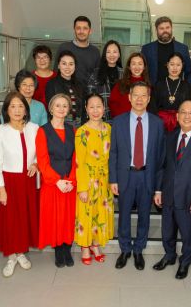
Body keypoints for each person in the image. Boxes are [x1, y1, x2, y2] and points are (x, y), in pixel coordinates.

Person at [153, 100, 191, 279]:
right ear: (177, 116)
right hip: (168, 194)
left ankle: (185, 262)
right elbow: (162, 166)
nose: (187, 116)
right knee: (167, 230)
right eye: (183, 113)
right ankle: (169, 255)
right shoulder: (169, 137)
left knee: (188, 233)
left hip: (190, 198)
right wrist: (158, 190)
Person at [109, 81, 165, 271]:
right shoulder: (118, 121)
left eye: (144, 96)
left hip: (147, 175)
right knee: (123, 214)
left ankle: (139, 249)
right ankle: (125, 249)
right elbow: (113, 153)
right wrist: (113, 179)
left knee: (144, 215)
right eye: (136, 95)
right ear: (129, 97)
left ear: (149, 99)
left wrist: (158, 186)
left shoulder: (157, 123)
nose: (139, 99)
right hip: (126, 176)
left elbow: (160, 157)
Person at [0, 92, 39, 277]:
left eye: (20, 106)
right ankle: (11, 256)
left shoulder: (34, 128)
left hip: (28, 179)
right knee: (11, 219)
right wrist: (0, 189)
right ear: (6, 110)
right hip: (9, 181)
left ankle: (21, 252)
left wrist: (36, 163)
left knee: (25, 217)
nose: (17, 110)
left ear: (26, 109)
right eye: (13, 106)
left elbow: (40, 153)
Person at [36, 94, 77, 267]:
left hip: (69, 182)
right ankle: (58, 250)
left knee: (68, 218)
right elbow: (42, 160)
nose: (61, 109)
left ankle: (67, 248)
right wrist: (56, 181)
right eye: (57, 106)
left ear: (68, 110)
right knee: (55, 219)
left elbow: (76, 157)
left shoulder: (72, 130)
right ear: (51, 108)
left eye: (65, 106)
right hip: (52, 183)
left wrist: (71, 181)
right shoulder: (42, 131)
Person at [74, 94, 114, 265]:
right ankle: (84, 246)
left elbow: (113, 157)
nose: (95, 110)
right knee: (86, 214)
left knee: (100, 214)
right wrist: (82, 187)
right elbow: (79, 162)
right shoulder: (81, 132)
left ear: (103, 109)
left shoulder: (109, 129)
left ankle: (95, 245)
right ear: (86, 109)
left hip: (105, 179)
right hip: (88, 179)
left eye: (99, 106)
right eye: (92, 107)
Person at [141, 16, 191, 85]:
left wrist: (185, 89)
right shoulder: (146, 49)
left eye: (167, 27)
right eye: (161, 28)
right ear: (156, 30)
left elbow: (189, 72)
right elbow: (142, 72)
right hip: (153, 92)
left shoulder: (183, 48)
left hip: (176, 92)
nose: (165, 31)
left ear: (171, 29)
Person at [149, 52, 191, 132]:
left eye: (178, 65)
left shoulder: (186, 86)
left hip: (180, 123)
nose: (175, 68)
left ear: (182, 66)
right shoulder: (159, 84)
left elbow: (188, 106)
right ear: (167, 65)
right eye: (172, 64)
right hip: (160, 123)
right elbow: (153, 106)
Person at [56, 16, 100, 89]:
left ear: (90, 31)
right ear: (74, 30)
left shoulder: (95, 51)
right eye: (78, 28)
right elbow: (56, 72)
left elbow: (97, 76)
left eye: (85, 28)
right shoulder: (63, 47)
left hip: (87, 95)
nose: (81, 31)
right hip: (64, 93)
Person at [45, 50, 85, 128]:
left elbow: (83, 109)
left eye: (71, 64)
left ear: (75, 66)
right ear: (58, 66)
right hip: (59, 124)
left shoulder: (80, 85)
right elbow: (51, 109)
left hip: (78, 125)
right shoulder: (52, 84)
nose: (67, 67)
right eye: (64, 64)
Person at [86, 40, 123, 122]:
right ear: (104, 54)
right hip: (101, 120)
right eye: (108, 52)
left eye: (115, 52)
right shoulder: (96, 74)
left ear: (119, 54)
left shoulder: (124, 74)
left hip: (121, 120)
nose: (112, 55)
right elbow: (89, 97)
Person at [109, 52, 150, 118]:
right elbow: (113, 104)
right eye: (133, 64)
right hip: (123, 123)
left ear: (144, 67)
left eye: (140, 64)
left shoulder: (149, 86)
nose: (137, 67)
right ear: (129, 67)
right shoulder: (120, 84)